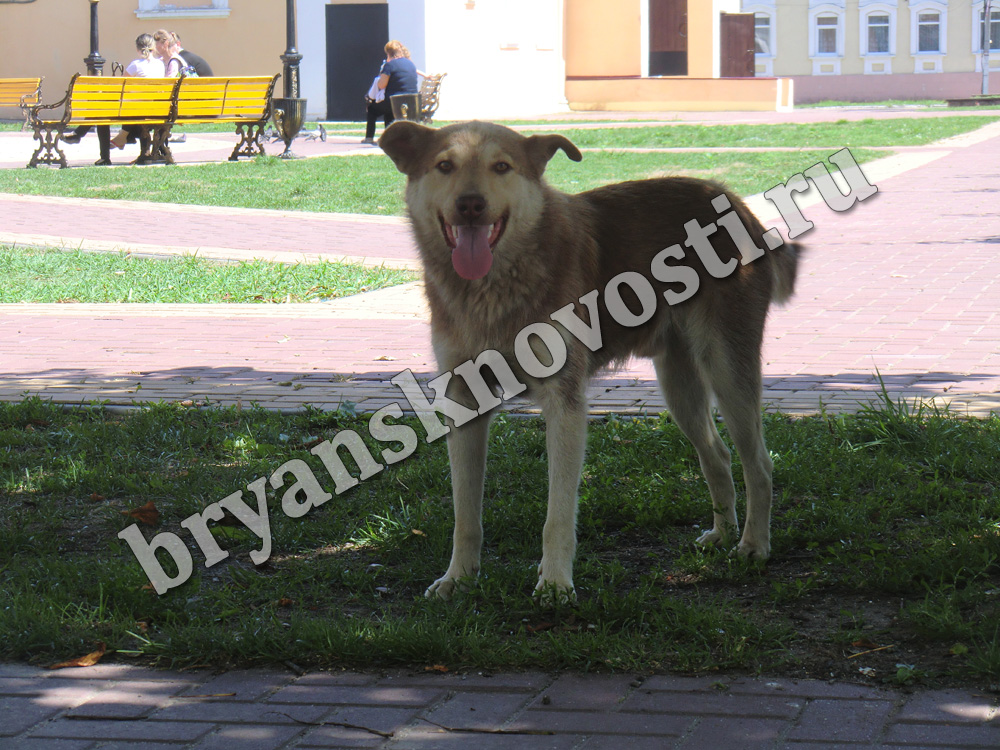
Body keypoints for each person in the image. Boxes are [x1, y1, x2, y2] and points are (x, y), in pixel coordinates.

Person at [109, 33, 167, 151]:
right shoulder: (160, 64)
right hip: (157, 108)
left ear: (137, 48)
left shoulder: (136, 65)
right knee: (136, 105)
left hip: (138, 109)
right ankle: (126, 138)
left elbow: (121, 85)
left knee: (132, 105)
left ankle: (124, 137)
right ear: (153, 47)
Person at [363, 40, 419, 145]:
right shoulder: (411, 64)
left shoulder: (390, 65)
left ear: (388, 53)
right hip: (412, 102)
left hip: (395, 102)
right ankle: (389, 139)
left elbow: (381, 85)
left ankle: (369, 138)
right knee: (389, 109)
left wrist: (380, 78)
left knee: (372, 109)